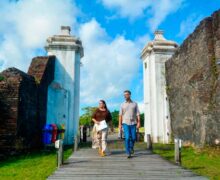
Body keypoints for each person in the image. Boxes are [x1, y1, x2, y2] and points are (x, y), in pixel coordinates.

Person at [119, 90, 140, 158]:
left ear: (130, 95)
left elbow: (138, 114)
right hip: (125, 123)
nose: (125, 96)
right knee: (127, 138)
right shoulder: (122, 104)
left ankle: (131, 148)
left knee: (133, 138)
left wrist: (139, 122)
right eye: (124, 95)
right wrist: (119, 124)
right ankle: (128, 152)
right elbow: (120, 115)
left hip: (133, 123)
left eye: (126, 94)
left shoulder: (135, 103)